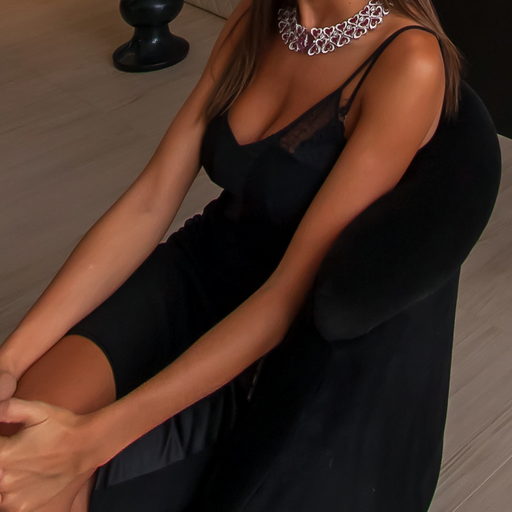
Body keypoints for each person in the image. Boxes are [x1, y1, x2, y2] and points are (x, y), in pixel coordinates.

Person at [0, 0, 464, 510]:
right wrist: (11, 359)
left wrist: (93, 442)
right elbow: (150, 201)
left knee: (44, 480)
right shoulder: (256, 17)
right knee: (14, 441)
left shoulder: (408, 63)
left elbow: (286, 293)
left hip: (265, 339)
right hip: (190, 274)